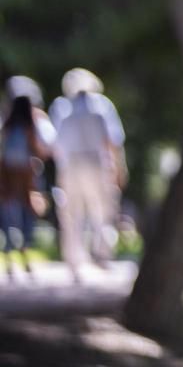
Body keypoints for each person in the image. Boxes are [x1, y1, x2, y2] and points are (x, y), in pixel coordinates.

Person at [52, 89, 119, 280]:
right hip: (94, 163)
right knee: (101, 213)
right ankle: (101, 253)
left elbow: (57, 145)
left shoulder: (65, 113)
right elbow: (111, 141)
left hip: (72, 165)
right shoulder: (99, 112)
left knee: (73, 215)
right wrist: (116, 167)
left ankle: (75, 261)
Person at [1, 96, 49, 278]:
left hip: (6, 173)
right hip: (26, 176)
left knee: (7, 216)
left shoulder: (7, 125)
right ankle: (25, 255)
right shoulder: (30, 126)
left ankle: (8, 259)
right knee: (26, 217)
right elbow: (38, 150)